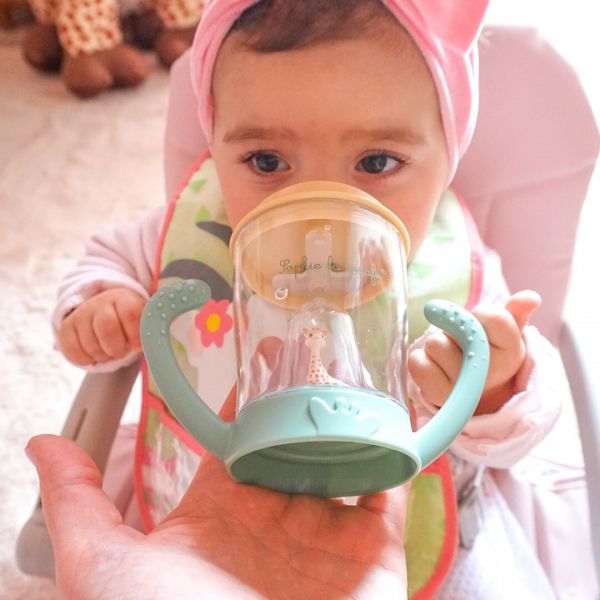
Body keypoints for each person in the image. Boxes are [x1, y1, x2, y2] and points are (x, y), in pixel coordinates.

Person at [47, 0, 594, 597]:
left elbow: (522, 431)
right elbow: (110, 257)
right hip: (205, 516)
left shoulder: (454, 265)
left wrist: (492, 390)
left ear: (446, 160)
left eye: (376, 162)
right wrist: (103, 304)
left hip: (411, 535)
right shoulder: (194, 230)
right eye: (267, 161)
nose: (319, 211)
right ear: (215, 151)